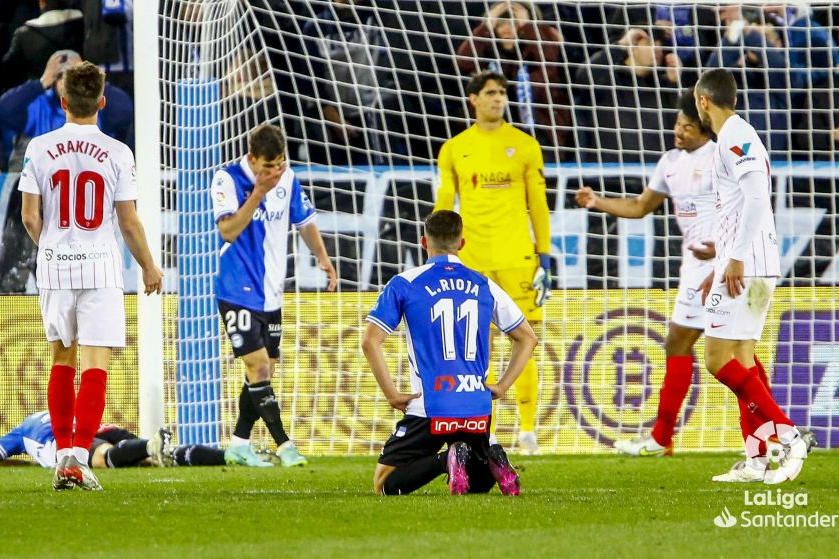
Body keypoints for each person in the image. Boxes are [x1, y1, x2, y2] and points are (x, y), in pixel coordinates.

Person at [18, 61, 163, 491]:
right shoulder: (118, 152)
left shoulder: (39, 148)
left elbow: (29, 217)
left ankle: (63, 454)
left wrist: (52, 246)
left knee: (62, 359)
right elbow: (129, 222)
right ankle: (81, 457)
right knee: (95, 365)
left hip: (55, 268)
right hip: (100, 266)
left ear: (63, 102)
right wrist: (149, 267)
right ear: (101, 102)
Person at [576, 90, 717, 456]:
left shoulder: (721, 158)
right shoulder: (670, 162)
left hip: (725, 265)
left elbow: (746, 208)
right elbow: (641, 206)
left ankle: (663, 438)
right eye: (677, 124)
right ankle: (666, 439)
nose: (679, 131)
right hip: (694, 267)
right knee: (697, 346)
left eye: (687, 126)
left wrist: (727, 248)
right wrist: (597, 202)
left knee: (724, 351)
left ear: (705, 129)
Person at [363, 210, 537, 495]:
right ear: (462, 243)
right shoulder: (483, 284)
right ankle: (491, 453)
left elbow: (370, 342)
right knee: (477, 486)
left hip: (429, 406)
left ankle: (448, 458)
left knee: (383, 484)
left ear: (423, 242)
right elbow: (527, 339)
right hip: (476, 406)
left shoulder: (404, 283)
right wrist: (503, 386)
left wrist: (393, 395)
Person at [694, 68, 808, 484]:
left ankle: (790, 435)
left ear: (703, 100)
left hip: (749, 268)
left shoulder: (735, 136)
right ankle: (758, 458)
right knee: (744, 360)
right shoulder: (736, 135)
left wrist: (737, 259)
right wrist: (719, 264)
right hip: (756, 269)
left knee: (716, 360)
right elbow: (738, 209)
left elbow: (759, 196)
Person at [433, 70, 550, 454]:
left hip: (518, 258)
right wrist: (437, 253)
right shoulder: (454, 148)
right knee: (470, 347)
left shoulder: (526, 145)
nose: (498, 99)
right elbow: (444, 204)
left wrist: (544, 256)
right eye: (490, 93)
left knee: (525, 339)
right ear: (473, 99)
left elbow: (539, 204)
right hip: (472, 260)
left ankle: (528, 431)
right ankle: (477, 425)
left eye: (502, 93)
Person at [210, 123, 337, 468]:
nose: (275, 172)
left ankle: (238, 443)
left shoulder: (288, 178)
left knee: (263, 373)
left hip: (272, 293)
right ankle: (284, 445)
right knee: (260, 365)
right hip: (237, 288)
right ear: (252, 159)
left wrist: (323, 258)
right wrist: (258, 193)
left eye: (279, 164)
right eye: (268, 166)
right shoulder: (227, 179)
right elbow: (227, 231)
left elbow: (305, 221)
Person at [455, 1, 573, 162]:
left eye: (514, 23)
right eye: (501, 23)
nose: (507, 29)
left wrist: (527, 25)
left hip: (540, 133)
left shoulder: (540, 46)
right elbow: (464, 62)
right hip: (493, 134)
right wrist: (486, 25)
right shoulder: (486, 54)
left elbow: (548, 60)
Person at [0, 411, 229, 469]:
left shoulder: (22, 430)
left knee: (103, 458)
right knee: (149, 460)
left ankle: (150, 447)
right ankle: (226, 456)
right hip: (101, 428)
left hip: (68, 441)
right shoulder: (53, 411)